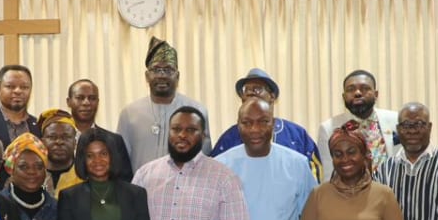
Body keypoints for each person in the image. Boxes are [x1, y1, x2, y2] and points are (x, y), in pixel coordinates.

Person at [211, 68, 322, 180]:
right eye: (245, 90)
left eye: (257, 89)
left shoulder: (296, 135)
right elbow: (212, 174)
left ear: (272, 96)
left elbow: (314, 175)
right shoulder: (229, 137)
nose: (250, 93)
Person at [117, 37, 211, 168]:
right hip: (140, 187)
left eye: (168, 70)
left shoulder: (196, 112)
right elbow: (120, 160)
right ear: (147, 76)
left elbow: (204, 158)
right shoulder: (130, 113)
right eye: (156, 70)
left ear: (177, 76)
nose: (162, 75)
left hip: (186, 187)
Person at [317, 70, 399, 178]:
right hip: (350, 193)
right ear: (343, 96)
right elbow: (328, 173)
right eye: (351, 89)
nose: (357, 93)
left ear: (376, 94)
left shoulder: (395, 120)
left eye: (365, 88)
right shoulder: (328, 128)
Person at [0, 133, 60, 220]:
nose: (32, 172)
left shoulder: (58, 208)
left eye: (39, 166)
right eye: (23, 167)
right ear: (11, 169)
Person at [65, 79, 133, 180]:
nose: (86, 103)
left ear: (98, 102)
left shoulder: (115, 140)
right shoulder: (58, 140)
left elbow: (125, 181)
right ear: (69, 102)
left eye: (92, 98)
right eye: (80, 98)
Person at [38, 108, 82, 194]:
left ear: (75, 142)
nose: (59, 142)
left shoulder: (84, 176)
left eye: (66, 137)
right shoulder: (31, 176)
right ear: (42, 142)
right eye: (52, 137)